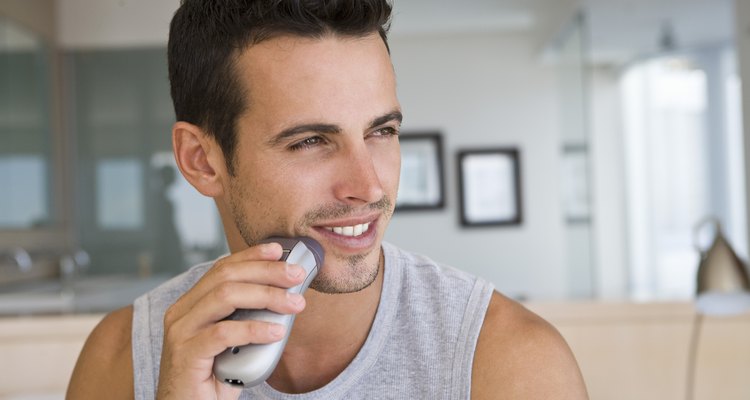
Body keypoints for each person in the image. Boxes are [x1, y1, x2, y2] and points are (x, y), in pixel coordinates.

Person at [67, 1, 588, 399]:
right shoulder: (122, 361)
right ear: (202, 160)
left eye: (381, 131)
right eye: (310, 141)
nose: (367, 185)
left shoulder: (511, 363)